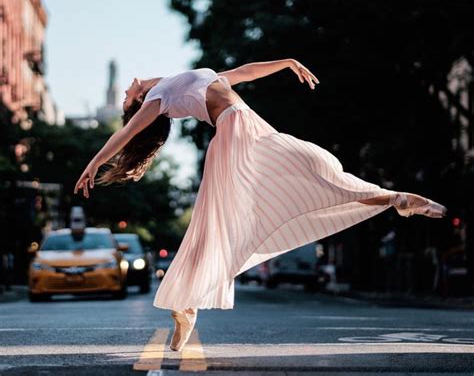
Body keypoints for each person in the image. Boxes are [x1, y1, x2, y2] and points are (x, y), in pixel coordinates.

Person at [74, 58, 447, 351]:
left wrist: (284, 62)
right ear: (139, 102)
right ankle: (187, 302)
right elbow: (125, 134)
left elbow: (243, 72)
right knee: (215, 222)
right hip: (234, 134)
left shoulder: (179, 80)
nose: (127, 91)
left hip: (252, 128)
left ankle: (393, 199)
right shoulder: (158, 99)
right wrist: (93, 164)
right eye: (127, 98)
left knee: (319, 169)